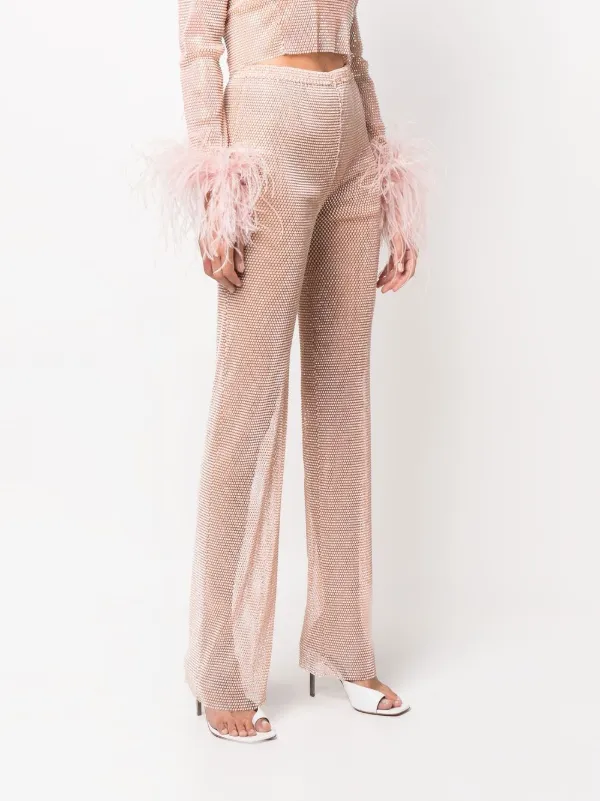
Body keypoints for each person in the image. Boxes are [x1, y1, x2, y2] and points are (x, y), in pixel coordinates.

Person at [155, 0, 425, 743]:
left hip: (351, 147)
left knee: (342, 398)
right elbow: (199, 49)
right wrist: (217, 192)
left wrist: (389, 175)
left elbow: (354, 50)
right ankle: (220, 665)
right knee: (248, 403)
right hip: (268, 138)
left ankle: (344, 642)